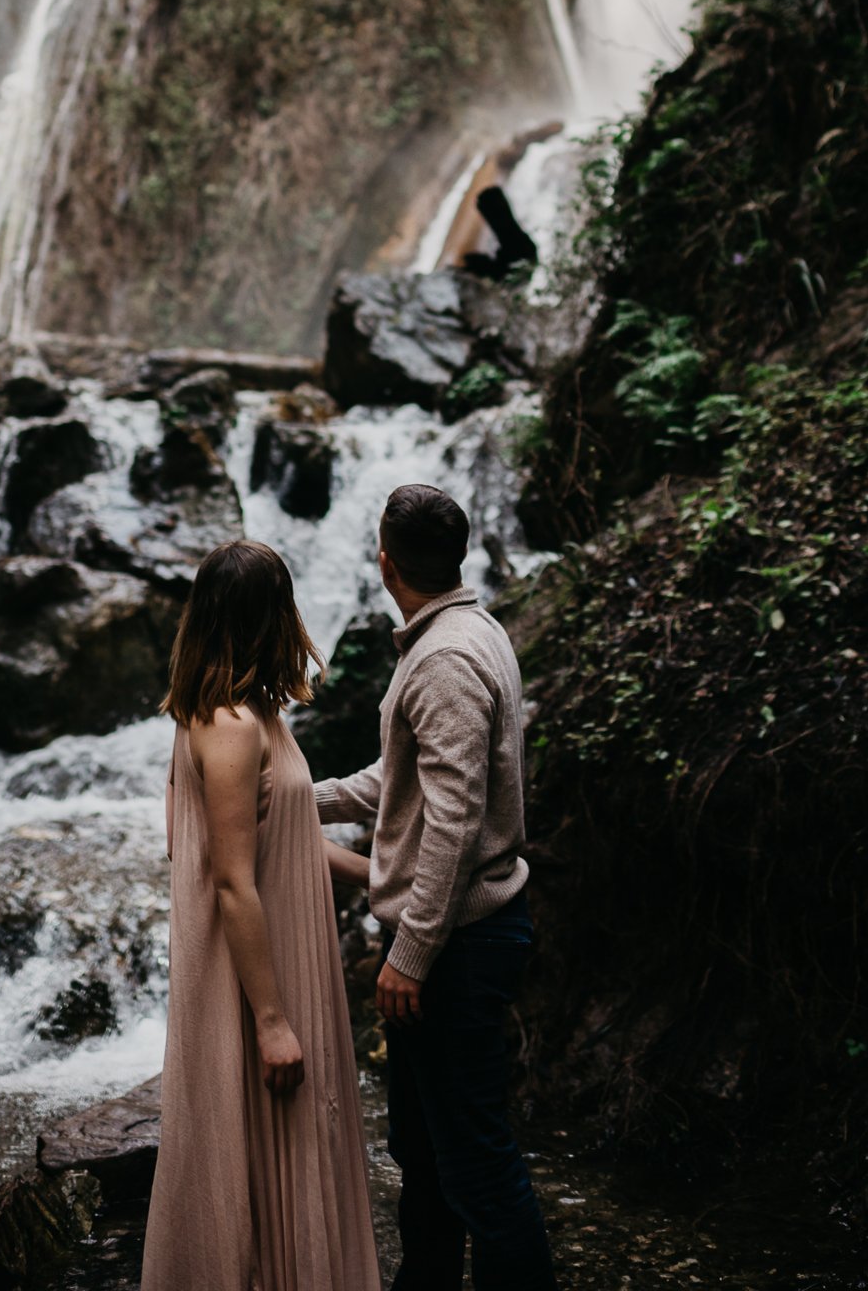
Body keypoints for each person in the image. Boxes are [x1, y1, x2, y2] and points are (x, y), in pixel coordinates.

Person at [314, 485, 559, 1290]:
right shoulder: (460, 633)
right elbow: (405, 778)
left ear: (385, 561)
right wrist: (293, 798)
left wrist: (411, 955)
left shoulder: (448, 658)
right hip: (458, 935)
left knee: (474, 1159)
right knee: (424, 1151)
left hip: (457, 941)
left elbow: (452, 822)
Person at [141, 540, 381, 1291]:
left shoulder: (249, 714)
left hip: (280, 954)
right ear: (269, 616)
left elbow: (288, 843)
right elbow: (234, 883)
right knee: (269, 1151)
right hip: (257, 973)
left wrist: (382, 881)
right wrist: (271, 1020)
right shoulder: (231, 726)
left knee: (297, 1140)